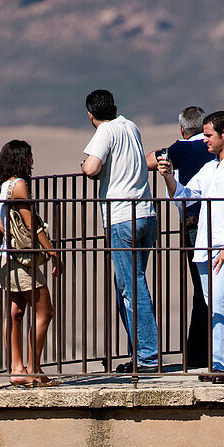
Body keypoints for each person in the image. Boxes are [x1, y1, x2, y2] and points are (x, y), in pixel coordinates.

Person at [157, 110, 224, 382]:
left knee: (220, 303)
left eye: (208, 135)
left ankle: (221, 366)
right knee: (213, 303)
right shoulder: (209, 167)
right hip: (204, 246)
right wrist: (169, 177)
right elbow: (185, 197)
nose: (204, 140)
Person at [81, 89, 158, 372]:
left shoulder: (105, 131)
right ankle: (138, 354)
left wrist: (83, 165)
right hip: (146, 214)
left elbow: (91, 168)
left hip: (121, 217)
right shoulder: (131, 126)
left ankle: (147, 357)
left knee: (133, 288)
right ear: (115, 107)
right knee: (128, 285)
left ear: (91, 115)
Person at [0, 139, 61, 386]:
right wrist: (53, 252)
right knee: (45, 311)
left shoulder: (2, 187)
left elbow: (2, 225)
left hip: (5, 256)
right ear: (22, 159)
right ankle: (34, 369)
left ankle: (17, 368)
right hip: (22, 260)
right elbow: (32, 225)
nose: (33, 162)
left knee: (16, 311)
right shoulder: (19, 186)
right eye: (30, 156)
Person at [146, 106, 210, 368]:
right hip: (219, 222)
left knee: (201, 288)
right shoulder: (215, 148)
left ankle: (197, 354)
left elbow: (149, 159)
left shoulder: (179, 148)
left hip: (193, 224)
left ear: (182, 129)